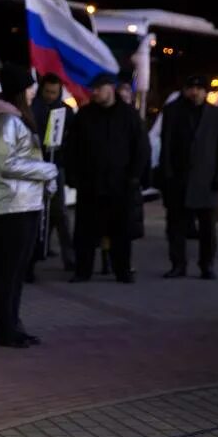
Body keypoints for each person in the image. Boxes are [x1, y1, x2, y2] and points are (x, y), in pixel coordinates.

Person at [0, 65, 57, 348]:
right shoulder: (6, 122)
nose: (34, 90)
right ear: (20, 90)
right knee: (8, 273)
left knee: (16, 272)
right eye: (30, 85)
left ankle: (13, 324)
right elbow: (6, 163)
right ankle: (5, 329)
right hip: (11, 208)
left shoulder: (13, 120)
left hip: (22, 205)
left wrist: (44, 179)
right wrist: (46, 171)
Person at [63, 72, 148, 283]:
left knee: (121, 232)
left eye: (98, 89)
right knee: (85, 232)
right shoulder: (84, 116)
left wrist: (135, 177)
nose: (94, 93)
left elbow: (141, 149)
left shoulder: (128, 115)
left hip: (120, 185)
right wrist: (73, 176)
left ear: (110, 88)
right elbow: (71, 148)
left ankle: (122, 271)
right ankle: (83, 271)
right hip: (90, 184)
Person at [158, 75, 218, 279]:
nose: (195, 92)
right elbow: (166, 145)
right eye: (191, 88)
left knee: (207, 228)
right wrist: (167, 175)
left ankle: (206, 265)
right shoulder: (173, 112)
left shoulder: (217, 115)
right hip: (178, 181)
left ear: (205, 92)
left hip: (207, 181)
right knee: (176, 227)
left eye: (199, 89)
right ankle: (178, 264)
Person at [29, 73, 75, 272]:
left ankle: (69, 257)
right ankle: (35, 253)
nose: (50, 96)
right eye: (47, 92)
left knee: (60, 213)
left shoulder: (65, 111)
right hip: (36, 166)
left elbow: (72, 138)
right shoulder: (32, 109)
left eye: (53, 93)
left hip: (56, 166)